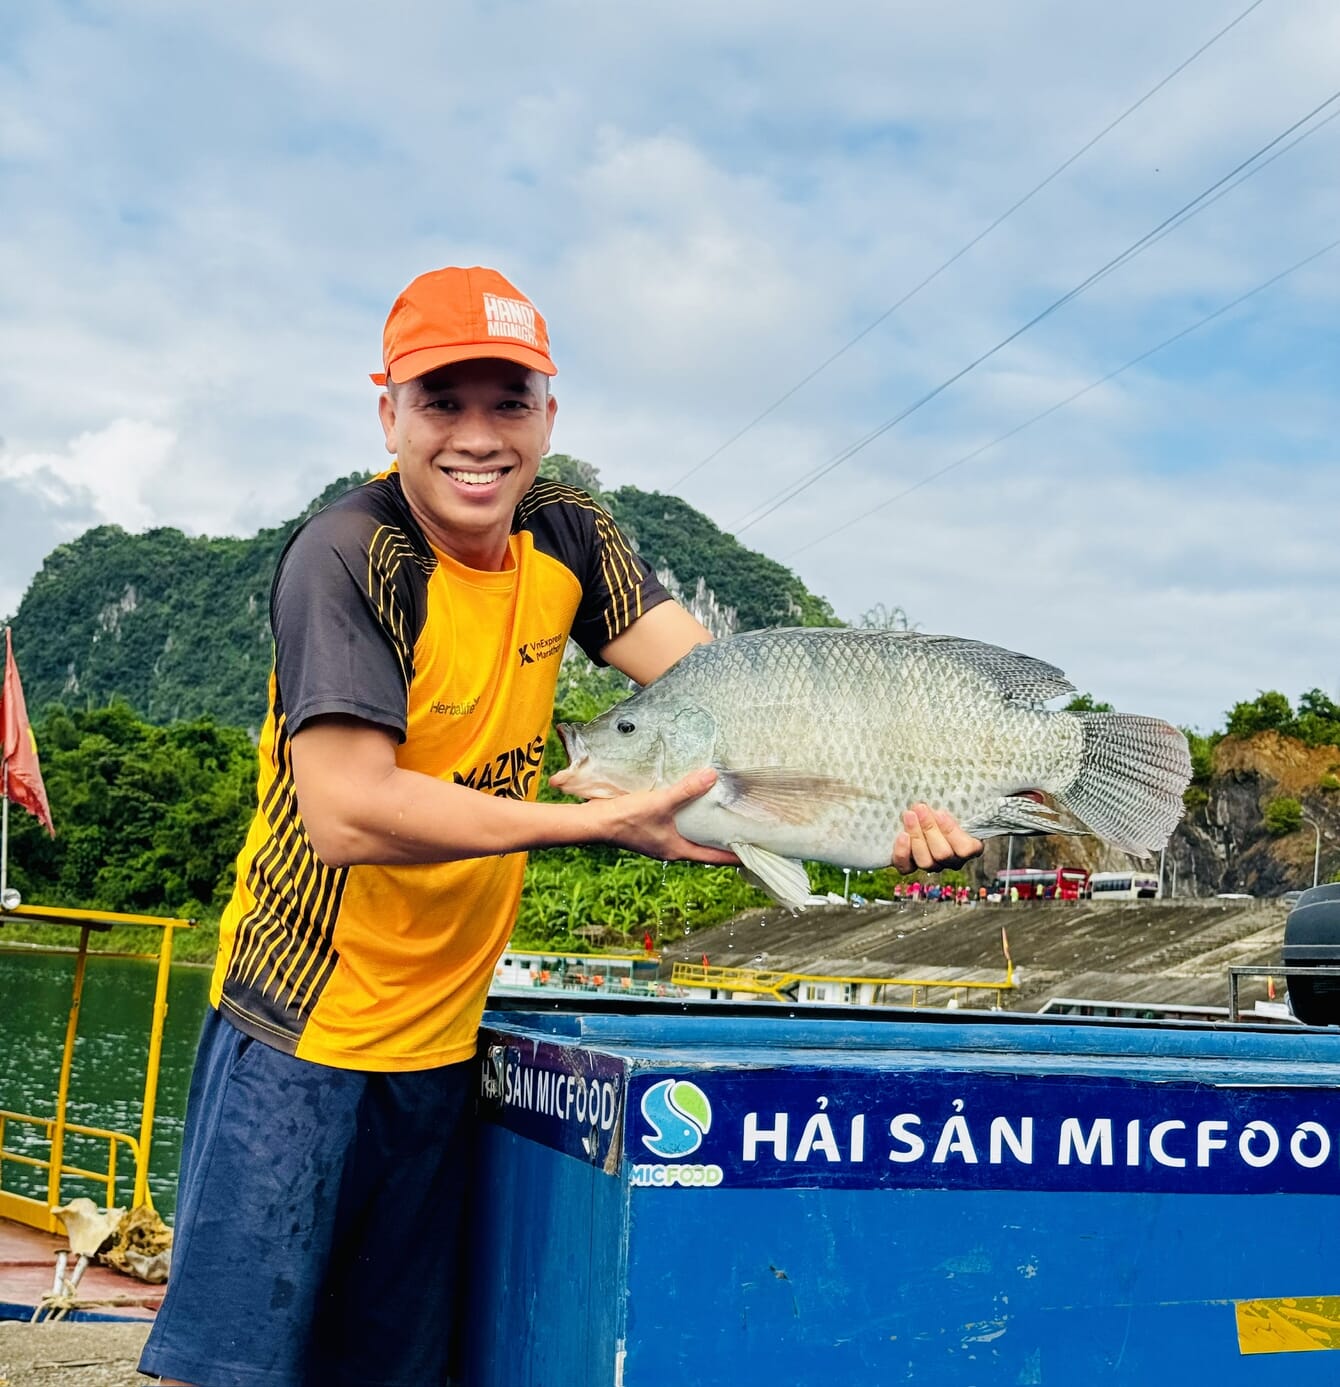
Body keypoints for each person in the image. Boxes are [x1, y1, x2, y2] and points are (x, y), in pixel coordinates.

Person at [139, 264, 982, 1387]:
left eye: (509, 402)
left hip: (441, 1034)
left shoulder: (566, 534)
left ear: (549, 413)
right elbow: (345, 811)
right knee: (238, 1370)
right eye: (443, 402)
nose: (477, 437)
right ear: (386, 409)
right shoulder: (349, 557)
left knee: (389, 1368)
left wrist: (911, 795)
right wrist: (595, 824)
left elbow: (728, 695)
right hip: (302, 1027)